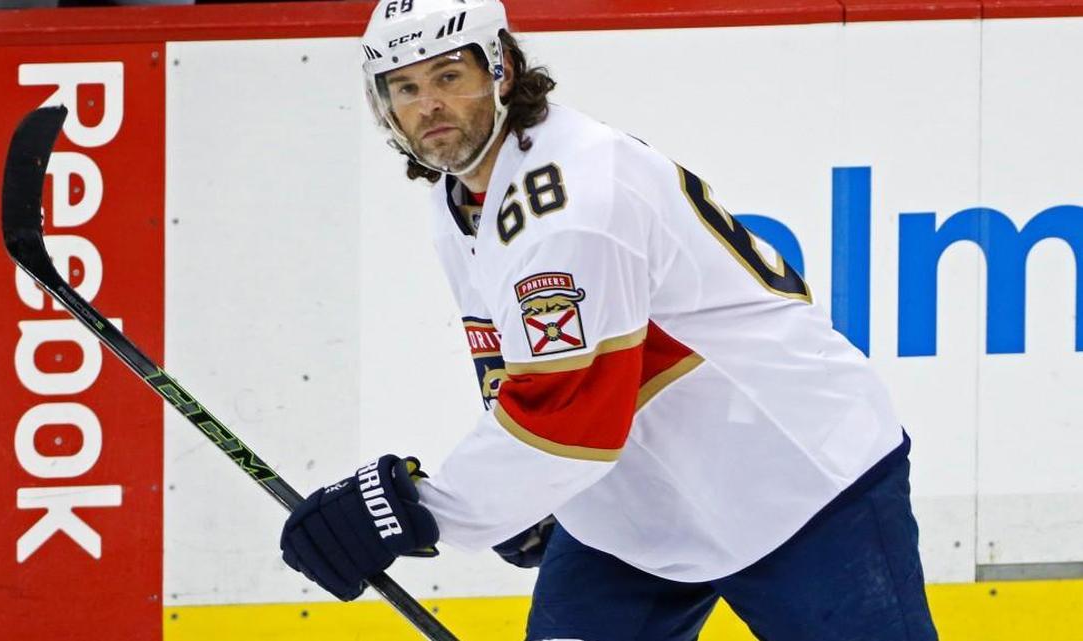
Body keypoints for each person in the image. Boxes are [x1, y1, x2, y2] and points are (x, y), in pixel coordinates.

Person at [279, 1, 940, 639]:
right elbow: (520, 371)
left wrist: (423, 510)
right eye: (405, 87)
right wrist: (521, 493)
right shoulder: (461, 197)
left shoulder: (570, 199)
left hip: (797, 485)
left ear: (501, 68)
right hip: (633, 518)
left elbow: (570, 420)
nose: (429, 107)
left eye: (449, 77)